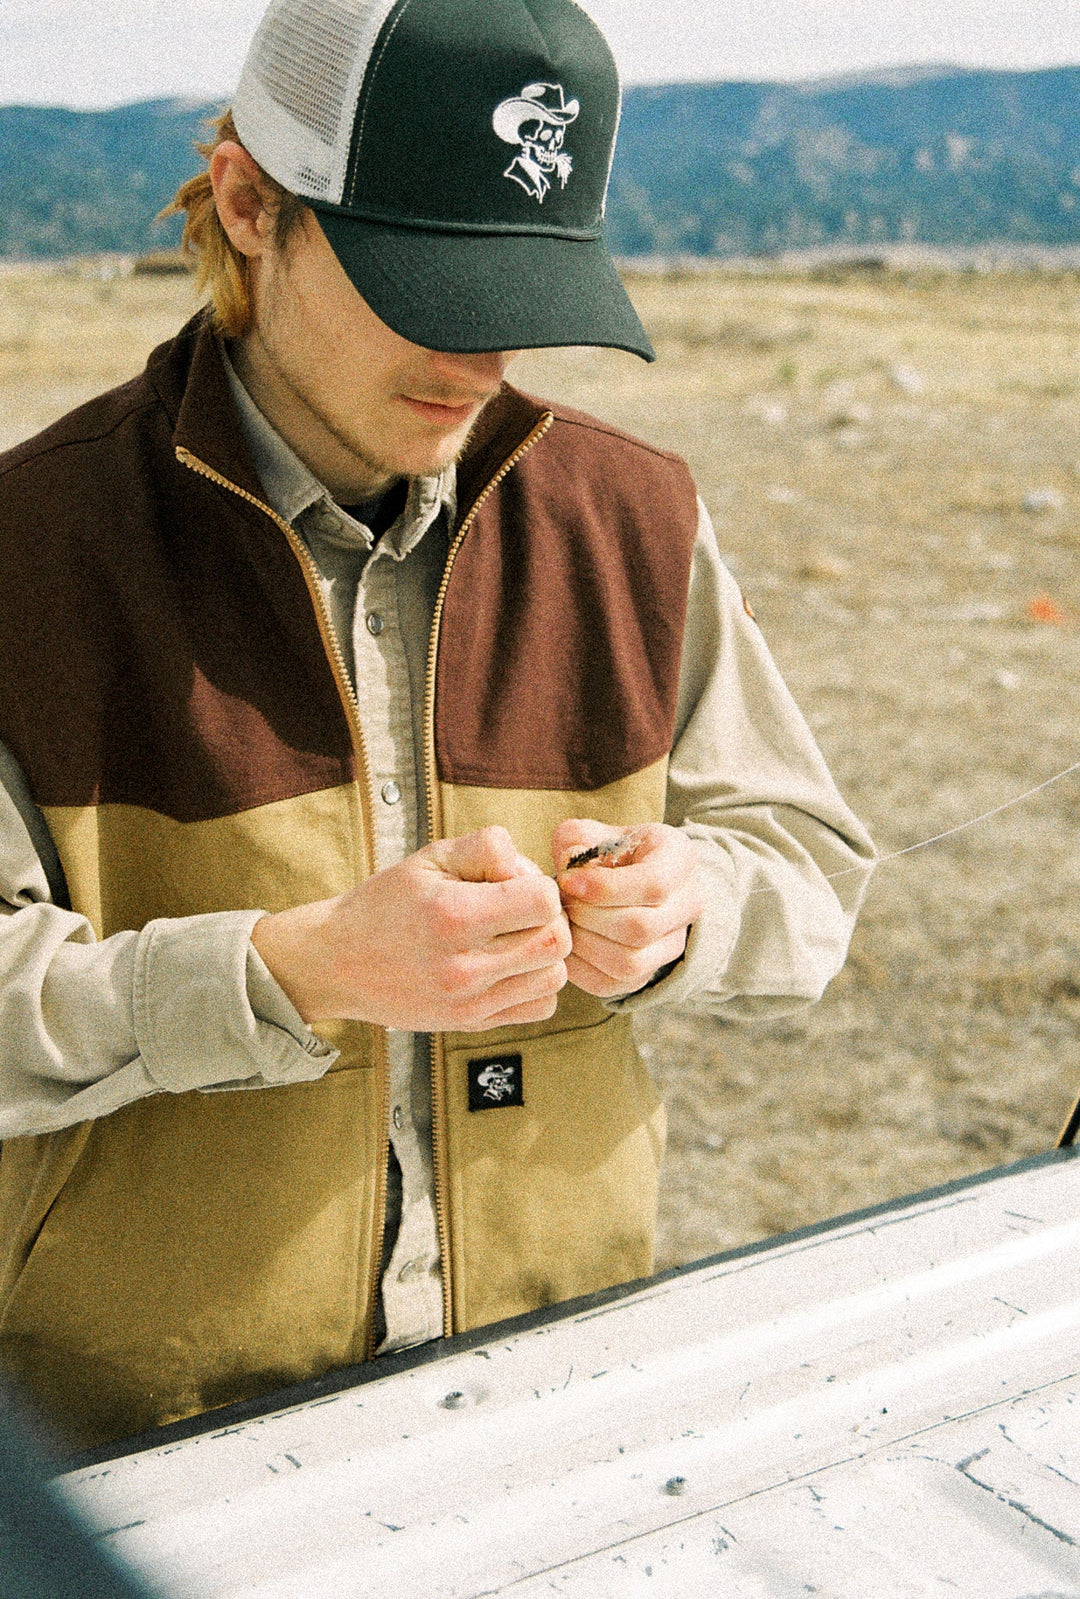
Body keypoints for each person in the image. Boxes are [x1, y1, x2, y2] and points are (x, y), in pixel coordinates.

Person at [0, 0, 875, 1452]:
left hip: (561, 1388)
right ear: (247, 204)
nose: (482, 357)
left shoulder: (634, 519)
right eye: (427, 282)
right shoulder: (26, 550)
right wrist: (292, 969)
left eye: (523, 290)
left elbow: (811, 867)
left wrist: (689, 904)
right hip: (142, 1446)